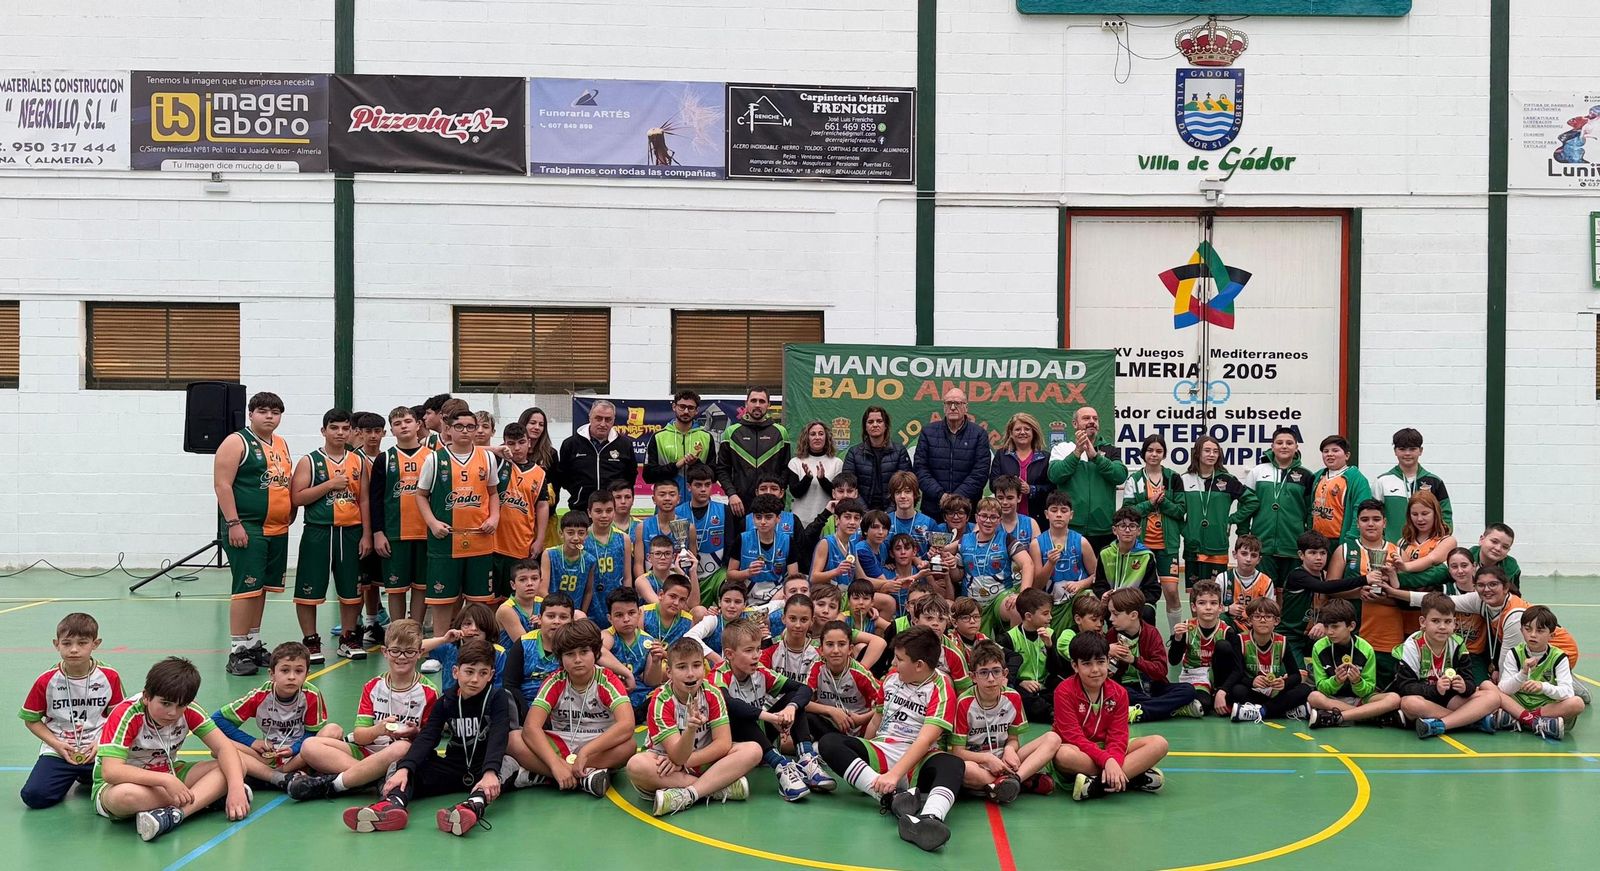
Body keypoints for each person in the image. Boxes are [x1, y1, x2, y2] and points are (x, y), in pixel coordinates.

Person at [342, 639, 514, 837]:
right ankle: (393, 804)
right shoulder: (446, 701)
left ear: (491, 675)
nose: (475, 679)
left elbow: (500, 735)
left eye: (483, 673)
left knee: (508, 762)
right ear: (455, 672)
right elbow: (428, 737)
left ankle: (471, 807)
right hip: (455, 768)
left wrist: (490, 771)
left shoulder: (497, 697)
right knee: (400, 765)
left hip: (484, 768)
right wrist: (405, 768)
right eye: (469, 672)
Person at [818, 626, 965, 852]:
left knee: (953, 764)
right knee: (830, 743)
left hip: (918, 758)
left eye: (899, 659)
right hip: (883, 751)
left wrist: (894, 775)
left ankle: (930, 819)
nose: (893, 664)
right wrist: (865, 752)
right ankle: (889, 797)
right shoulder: (891, 678)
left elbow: (925, 741)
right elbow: (877, 720)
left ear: (919, 666)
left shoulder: (941, 687)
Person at [93, 658, 250, 841]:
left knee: (238, 765)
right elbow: (111, 771)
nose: (173, 713)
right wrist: (165, 779)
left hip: (172, 775)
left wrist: (236, 788)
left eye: (180, 706)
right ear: (146, 696)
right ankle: (207, 797)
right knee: (125, 796)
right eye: (165, 704)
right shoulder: (126, 714)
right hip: (122, 785)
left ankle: (175, 816)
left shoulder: (190, 710)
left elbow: (225, 748)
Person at [289, 619, 439, 801]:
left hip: (399, 757)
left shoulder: (428, 691)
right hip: (365, 752)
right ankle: (370, 778)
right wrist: (379, 729)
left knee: (401, 747)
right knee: (310, 746)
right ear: (385, 652)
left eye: (409, 652)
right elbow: (360, 736)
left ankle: (342, 781)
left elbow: (430, 740)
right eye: (395, 651)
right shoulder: (373, 686)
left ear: (420, 653)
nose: (402, 657)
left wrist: (415, 733)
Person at [626, 637, 761, 816]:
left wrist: (684, 763)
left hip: (695, 762)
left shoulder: (713, 693)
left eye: (696, 665)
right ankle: (715, 788)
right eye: (682, 667)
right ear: (669, 671)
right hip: (665, 764)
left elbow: (723, 744)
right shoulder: (660, 700)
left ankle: (689, 794)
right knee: (636, 765)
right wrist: (690, 730)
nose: (691, 673)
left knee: (753, 749)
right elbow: (676, 755)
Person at [215, 391, 292, 677]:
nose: (269, 416)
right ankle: (237, 650)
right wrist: (233, 522)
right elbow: (223, 485)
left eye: (275, 411)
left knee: (261, 589)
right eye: (263, 411)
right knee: (245, 589)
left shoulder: (281, 443)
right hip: (248, 525)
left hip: (277, 527)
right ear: (251, 414)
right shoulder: (236, 442)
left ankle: (253, 642)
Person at [712, 619, 833, 800]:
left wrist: (790, 708)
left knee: (793, 699)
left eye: (758, 649)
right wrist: (770, 717)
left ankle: (806, 759)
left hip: (761, 738)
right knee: (739, 714)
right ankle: (781, 765)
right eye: (748, 650)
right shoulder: (718, 675)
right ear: (729, 654)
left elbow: (804, 689)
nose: (756, 655)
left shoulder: (761, 672)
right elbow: (729, 704)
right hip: (737, 746)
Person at [516, 619, 635, 797]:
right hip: (562, 743)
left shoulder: (607, 680)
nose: (578, 659)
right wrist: (555, 763)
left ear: (595, 653)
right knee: (513, 739)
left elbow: (627, 724)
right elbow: (531, 728)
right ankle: (583, 777)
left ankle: (548, 775)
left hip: (598, 744)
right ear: (561, 658)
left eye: (584, 652)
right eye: (570, 654)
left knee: (629, 747)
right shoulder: (555, 681)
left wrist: (586, 752)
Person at [19, 612, 124, 809]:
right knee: (34, 796)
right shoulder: (46, 680)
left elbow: (118, 716)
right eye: (66, 643)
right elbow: (31, 720)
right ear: (56, 644)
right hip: (59, 750)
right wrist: (57, 744)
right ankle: (77, 774)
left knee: (125, 785)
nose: (74, 650)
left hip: (98, 748)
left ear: (96, 643)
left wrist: (101, 742)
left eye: (82, 643)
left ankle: (87, 775)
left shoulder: (109, 676)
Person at [291, 409, 370, 663]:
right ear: (324, 430)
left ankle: (348, 638)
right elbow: (297, 497)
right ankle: (311, 640)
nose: (340, 433)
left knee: (351, 590)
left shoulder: (358, 461)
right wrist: (329, 485)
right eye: (334, 428)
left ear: (351, 431)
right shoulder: (309, 461)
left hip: (351, 532)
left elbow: (365, 500)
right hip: (319, 531)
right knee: (308, 590)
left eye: (345, 428)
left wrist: (367, 534)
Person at [1052, 632, 1169, 802]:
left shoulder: (1119, 692)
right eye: (1087, 664)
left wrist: (1112, 759)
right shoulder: (1063, 691)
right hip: (1079, 751)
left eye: (1101, 662)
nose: (1095, 670)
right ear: (1075, 666)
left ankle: (1096, 785)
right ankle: (1129, 777)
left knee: (1159, 743)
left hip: (1108, 748)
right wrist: (1107, 760)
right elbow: (1073, 737)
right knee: (1063, 755)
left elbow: (1118, 736)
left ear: (1108, 661)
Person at [415, 401, 501, 632]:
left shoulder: (488, 458)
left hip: (479, 541)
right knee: (443, 600)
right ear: (449, 430)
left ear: (476, 430)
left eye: (470, 426)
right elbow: (421, 496)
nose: (465, 431)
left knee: (478, 600)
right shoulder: (434, 459)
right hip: (445, 541)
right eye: (459, 426)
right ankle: (441, 648)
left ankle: (475, 646)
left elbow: (493, 493)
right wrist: (432, 523)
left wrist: (494, 518)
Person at [211, 642, 338, 790]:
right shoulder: (260, 696)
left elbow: (313, 732)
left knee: (333, 730)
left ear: (306, 674)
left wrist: (294, 749)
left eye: (298, 671)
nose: (292, 677)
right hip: (269, 755)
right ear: (272, 674)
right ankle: (285, 775)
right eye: (285, 670)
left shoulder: (311, 695)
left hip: (302, 754)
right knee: (218, 749)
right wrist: (252, 742)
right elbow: (218, 720)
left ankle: (269, 775)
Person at [952, 640, 1061, 801]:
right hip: (979, 762)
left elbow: (1013, 739)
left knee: (1053, 738)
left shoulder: (1013, 697)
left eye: (996, 671)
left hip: (1005, 758)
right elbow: (958, 752)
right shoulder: (964, 702)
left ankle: (1012, 781)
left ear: (1005, 674)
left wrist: (1010, 750)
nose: (991, 679)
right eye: (983, 672)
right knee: (965, 770)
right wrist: (987, 759)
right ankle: (1021, 780)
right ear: (973, 677)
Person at [1398, 593, 1502, 739]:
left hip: (1450, 700)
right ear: (1423, 622)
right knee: (1408, 703)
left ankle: (1440, 724)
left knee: (1493, 697)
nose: (1442, 627)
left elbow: (1470, 681)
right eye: (1435, 621)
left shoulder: (1458, 644)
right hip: (1425, 701)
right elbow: (1404, 686)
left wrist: (1465, 686)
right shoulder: (1412, 645)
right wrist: (1435, 689)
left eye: (1447, 622)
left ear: (1454, 623)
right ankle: (1472, 721)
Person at [1330, 498, 1407, 687]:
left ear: (1384, 522)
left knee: (1385, 689)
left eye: (1376, 519)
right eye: (1365, 519)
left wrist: (1386, 596)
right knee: (1352, 687)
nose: (1371, 524)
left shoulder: (1398, 552)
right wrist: (1357, 593)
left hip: (1388, 635)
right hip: (1354, 633)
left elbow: (1407, 595)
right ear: (1357, 523)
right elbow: (1329, 591)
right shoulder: (1345, 550)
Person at [1177, 436, 1258, 605]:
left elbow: (1252, 501)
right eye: (1207, 450)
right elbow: (1176, 511)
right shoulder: (1184, 479)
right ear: (1197, 453)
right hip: (1193, 545)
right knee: (1195, 595)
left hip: (1217, 545)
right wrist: (1185, 530)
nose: (1211, 454)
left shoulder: (1227, 480)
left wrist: (1230, 519)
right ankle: (1195, 631)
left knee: (1215, 595)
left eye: (1215, 451)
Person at [371, 406, 432, 625]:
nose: (403, 426)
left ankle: (414, 629)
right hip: (395, 534)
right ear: (392, 430)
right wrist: (378, 532)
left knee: (421, 587)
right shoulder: (384, 459)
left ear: (418, 425)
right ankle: (398, 630)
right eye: (397, 423)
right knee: (395, 588)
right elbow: (375, 500)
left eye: (407, 421)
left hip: (426, 534)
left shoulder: (433, 457)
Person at [1305, 599, 1402, 729]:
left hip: (1361, 700)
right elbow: (1321, 686)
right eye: (1326, 626)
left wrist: (1357, 682)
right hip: (1333, 699)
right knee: (1314, 696)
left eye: (1335, 626)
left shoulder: (1365, 649)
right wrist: (1336, 681)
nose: (1329, 632)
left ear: (1351, 626)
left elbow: (1369, 688)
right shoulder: (1319, 647)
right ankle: (1369, 716)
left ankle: (1339, 717)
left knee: (1394, 698)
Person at [1122, 435, 1185, 635]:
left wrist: (1163, 502)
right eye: (1150, 450)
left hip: (1167, 545)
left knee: (1172, 592)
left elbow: (1181, 511)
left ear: (1164, 454)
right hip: (1141, 545)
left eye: (1158, 451)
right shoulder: (1135, 479)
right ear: (1144, 453)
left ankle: (1176, 637)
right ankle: (1142, 635)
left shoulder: (1173, 478)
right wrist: (1150, 502)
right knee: (1139, 594)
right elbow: (1127, 513)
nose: (1154, 454)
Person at [1239, 426, 1316, 588]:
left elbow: (1311, 512)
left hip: (1293, 546)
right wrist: (1243, 536)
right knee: (1264, 594)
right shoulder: (1257, 472)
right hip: (1262, 546)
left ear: (1296, 447)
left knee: (1290, 595)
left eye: (1289, 443)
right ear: (1272, 446)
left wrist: (1308, 542)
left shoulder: (1306, 475)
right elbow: (1245, 506)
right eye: (1279, 442)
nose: (1284, 446)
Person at [1105, 588, 1196, 722]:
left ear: (1133, 615)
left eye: (1115, 614)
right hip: (1128, 688)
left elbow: (1161, 671)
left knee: (1188, 690)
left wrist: (1134, 660)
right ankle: (1168, 709)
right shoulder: (1111, 635)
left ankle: (1141, 711)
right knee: (1121, 693)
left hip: (1153, 686)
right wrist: (1107, 651)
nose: (1110, 618)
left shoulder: (1151, 633)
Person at [1494, 606, 1583, 740]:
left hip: (1546, 706)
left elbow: (1567, 692)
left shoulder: (1559, 657)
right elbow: (1504, 688)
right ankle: (1537, 723)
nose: (1533, 634)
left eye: (1540, 630)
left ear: (1551, 635)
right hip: (1517, 703)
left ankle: (1519, 719)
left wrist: (1543, 687)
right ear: (1521, 630)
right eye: (1528, 629)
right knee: (1487, 687)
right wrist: (1522, 674)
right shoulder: (1514, 653)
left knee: (1577, 703)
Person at [1220, 598, 1314, 724]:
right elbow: (1237, 673)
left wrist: (1284, 683)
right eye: (1257, 616)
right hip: (1253, 690)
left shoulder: (1283, 641)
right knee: (1236, 690)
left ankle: (1260, 711)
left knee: (1304, 689)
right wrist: (1252, 681)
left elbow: (1295, 675)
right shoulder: (1240, 640)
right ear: (1249, 621)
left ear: (1276, 621)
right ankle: (1284, 710)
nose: (1263, 620)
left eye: (1268, 616)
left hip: (1274, 690)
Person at [1279, 531, 1365, 669]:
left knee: (1338, 666)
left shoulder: (1325, 575)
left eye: (1323, 553)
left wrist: (1321, 623)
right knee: (1300, 675)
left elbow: (1329, 599)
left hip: (1315, 636)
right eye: (1313, 553)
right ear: (1301, 555)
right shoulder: (1297, 575)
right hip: (1291, 636)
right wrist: (1365, 579)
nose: (1318, 558)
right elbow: (1324, 587)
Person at [1045, 405, 1126, 552]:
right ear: (1075, 424)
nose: (1091, 421)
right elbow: (1055, 475)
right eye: (1086, 418)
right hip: (1071, 528)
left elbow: (1120, 476)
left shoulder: (1110, 450)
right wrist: (1077, 452)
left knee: (1101, 575)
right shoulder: (1062, 448)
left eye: (1095, 419)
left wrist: (1096, 457)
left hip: (1103, 529)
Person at [913, 388, 992, 522]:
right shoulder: (928, 432)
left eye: (958, 403)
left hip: (967, 511)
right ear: (944, 407)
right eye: (949, 403)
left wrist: (956, 498)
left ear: (966, 407)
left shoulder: (979, 434)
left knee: (965, 543)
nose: (953, 407)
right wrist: (941, 496)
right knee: (935, 544)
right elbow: (920, 469)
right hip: (934, 509)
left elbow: (980, 472)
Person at [716, 387, 790, 526]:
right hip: (740, 505)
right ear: (746, 403)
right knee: (740, 545)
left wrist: (776, 494)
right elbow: (722, 469)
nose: (757, 405)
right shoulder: (731, 432)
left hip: (771, 505)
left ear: (768, 404)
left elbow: (785, 469)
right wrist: (732, 494)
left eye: (762, 401)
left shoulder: (780, 432)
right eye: (753, 400)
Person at [493, 422, 549, 604]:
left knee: (515, 597)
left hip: (521, 543)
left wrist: (539, 539)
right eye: (510, 443)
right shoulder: (495, 463)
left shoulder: (539, 473)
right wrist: (496, 450)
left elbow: (542, 506)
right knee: (490, 598)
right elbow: (470, 448)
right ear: (503, 444)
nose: (516, 448)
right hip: (492, 543)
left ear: (529, 443)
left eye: (521, 442)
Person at [350, 411, 390, 646]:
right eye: (368, 432)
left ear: (384, 433)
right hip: (358, 527)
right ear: (359, 433)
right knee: (357, 581)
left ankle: (372, 622)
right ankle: (353, 625)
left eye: (377, 431)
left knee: (376, 581)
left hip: (383, 527)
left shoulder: (388, 459)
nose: (373, 436)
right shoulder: (352, 459)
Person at [1168, 581, 1237, 718]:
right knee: (1205, 705)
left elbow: (1236, 666)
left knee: (1223, 646)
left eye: (1213, 603)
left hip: (1218, 678)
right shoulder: (1186, 628)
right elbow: (1173, 661)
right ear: (1194, 607)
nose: (1208, 608)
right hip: (1194, 676)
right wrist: (1177, 639)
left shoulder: (1227, 632)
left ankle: (1216, 693)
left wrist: (1223, 689)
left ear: (1220, 607)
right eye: (1202, 603)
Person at [806, 621, 883, 741]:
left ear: (850, 649)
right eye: (830, 644)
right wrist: (831, 711)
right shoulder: (817, 667)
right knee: (805, 716)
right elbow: (802, 701)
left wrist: (862, 719)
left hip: (859, 730)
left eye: (841, 644)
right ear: (821, 649)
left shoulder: (860, 673)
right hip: (829, 725)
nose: (836, 650)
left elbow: (885, 704)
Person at [1373, 427, 1452, 542]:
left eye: (1412, 449)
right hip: (1393, 548)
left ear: (1420, 450)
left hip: (1427, 550)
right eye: (1402, 449)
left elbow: (1446, 515)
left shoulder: (1434, 481)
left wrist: (1439, 542)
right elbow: (1374, 516)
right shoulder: (1382, 481)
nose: (1407, 453)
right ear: (1395, 451)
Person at [558, 400, 637, 512]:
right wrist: (579, 491)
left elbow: (630, 476)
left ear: (614, 420)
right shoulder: (571, 444)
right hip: (581, 508)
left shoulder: (624, 444)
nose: (603, 424)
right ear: (590, 417)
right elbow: (563, 476)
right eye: (598, 418)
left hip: (613, 511)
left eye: (608, 419)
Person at [994, 588, 1058, 723]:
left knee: (1063, 689)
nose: (1050, 617)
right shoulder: (1008, 638)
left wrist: (1049, 647)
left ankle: (1049, 709)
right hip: (1022, 686)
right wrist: (1021, 682)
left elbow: (1055, 669)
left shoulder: (1050, 633)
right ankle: (1052, 713)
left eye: (1050, 613)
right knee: (1017, 695)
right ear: (1028, 616)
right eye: (1045, 614)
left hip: (1044, 685)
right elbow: (1004, 674)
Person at [602, 588, 666, 722]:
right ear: (610, 618)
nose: (626, 619)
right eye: (619, 615)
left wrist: (655, 661)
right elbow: (598, 651)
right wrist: (627, 673)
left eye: (631, 613)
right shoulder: (608, 636)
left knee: (661, 693)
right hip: (613, 692)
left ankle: (634, 715)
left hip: (640, 695)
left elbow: (651, 682)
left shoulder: (648, 641)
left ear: (639, 613)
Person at [1091, 507, 1161, 624]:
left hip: (1137, 603)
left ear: (1139, 531)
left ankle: (1145, 640)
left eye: (1132, 526)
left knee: (1147, 612)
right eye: (1122, 526)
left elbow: (1153, 590)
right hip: (1112, 602)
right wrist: (1104, 595)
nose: (1127, 530)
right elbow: (1099, 584)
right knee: (1094, 609)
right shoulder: (1105, 554)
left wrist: (1132, 601)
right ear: (1114, 530)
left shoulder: (1146, 556)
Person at [644, 390, 714, 497]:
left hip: (697, 504)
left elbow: (714, 475)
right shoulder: (658, 437)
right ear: (674, 407)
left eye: (691, 408)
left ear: (696, 411)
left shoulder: (707, 437)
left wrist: (696, 464)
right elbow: (648, 476)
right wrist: (676, 466)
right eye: (682, 406)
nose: (686, 411)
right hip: (668, 504)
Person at [844, 405, 913, 512]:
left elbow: (905, 485)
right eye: (870, 422)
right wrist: (865, 513)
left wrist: (888, 513)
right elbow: (849, 486)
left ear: (886, 425)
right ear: (865, 427)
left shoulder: (899, 451)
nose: (875, 425)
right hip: (860, 513)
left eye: (879, 421)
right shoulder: (854, 453)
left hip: (893, 512)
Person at [1309, 435, 1372, 552]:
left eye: (1335, 450)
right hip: (1317, 540)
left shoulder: (1357, 479)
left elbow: (1361, 511)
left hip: (1339, 540)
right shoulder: (1317, 476)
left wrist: (1350, 539)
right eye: (1325, 451)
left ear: (1347, 455)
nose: (1329, 454)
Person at [678, 462, 728, 607]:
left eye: (707, 485)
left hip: (716, 572)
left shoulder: (724, 510)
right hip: (686, 571)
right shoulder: (678, 513)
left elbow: (730, 543)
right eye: (698, 485)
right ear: (689, 487)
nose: (703, 489)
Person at [727, 494, 797, 598]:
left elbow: (793, 579)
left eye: (768, 517)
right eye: (758, 517)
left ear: (778, 518)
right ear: (753, 518)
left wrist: (780, 595)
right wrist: (747, 572)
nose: (763, 522)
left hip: (777, 594)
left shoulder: (787, 541)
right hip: (747, 593)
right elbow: (730, 575)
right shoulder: (742, 539)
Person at [991, 412, 1053, 522]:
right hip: (1004, 518)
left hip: (1037, 518)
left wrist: (1031, 489)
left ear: (1033, 432)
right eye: (1018, 429)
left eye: (1027, 429)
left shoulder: (1045, 457)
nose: (1022, 432)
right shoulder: (1001, 455)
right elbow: (993, 484)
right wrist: (1011, 486)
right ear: (1011, 433)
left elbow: (1052, 488)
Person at [584, 491, 631, 626]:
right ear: (589, 512)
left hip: (615, 599)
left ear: (614, 511)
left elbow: (627, 577)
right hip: (590, 600)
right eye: (598, 511)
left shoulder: (623, 538)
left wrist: (627, 602)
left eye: (609, 510)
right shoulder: (583, 538)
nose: (604, 515)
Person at [516, 406, 560, 550]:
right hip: (517, 519)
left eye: (541, 425)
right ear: (523, 424)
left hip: (545, 520)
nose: (537, 427)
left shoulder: (551, 454)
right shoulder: (510, 451)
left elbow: (555, 489)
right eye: (532, 423)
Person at [788, 421, 843, 526]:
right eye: (813, 434)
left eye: (821, 434)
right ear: (806, 438)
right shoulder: (795, 462)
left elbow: (836, 494)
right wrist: (807, 478)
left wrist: (822, 479)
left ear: (826, 438)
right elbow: (795, 493)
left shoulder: (837, 463)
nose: (817, 437)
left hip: (828, 522)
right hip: (801, 521)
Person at [1217, 535, 1274, 635]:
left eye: (1253, 555)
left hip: (1255, 627)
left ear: (1259, 559)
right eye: (1244, 553)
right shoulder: (1223, 578)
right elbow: (1213, 608)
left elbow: (1270, 613)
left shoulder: (1266, 582)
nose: (1248, 559)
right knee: (1222, 619)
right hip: (1231, 625)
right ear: (1234, 554)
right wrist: (1228, 609)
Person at [544, 512, 597, 616]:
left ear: (586, 535)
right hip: (552, 612)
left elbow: (588, 591)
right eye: (570, 533)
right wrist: (557, 611)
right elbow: (542, 589)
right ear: (561, 533)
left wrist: (582, 613)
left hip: (574, 614)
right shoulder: (549, 554)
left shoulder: (590, 560)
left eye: (581, 533)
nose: (576, 538)